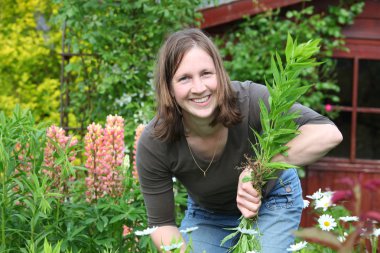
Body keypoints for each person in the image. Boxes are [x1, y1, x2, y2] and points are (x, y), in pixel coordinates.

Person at [136, 28, 343, 253]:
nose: (199, 88)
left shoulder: (249, 100)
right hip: (209, 214)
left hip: (273, 200)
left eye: (206, 73)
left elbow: (328, 133)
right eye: (184, 78)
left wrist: (258, 169)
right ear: (169, 88)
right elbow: (162, 224)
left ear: (220, 74)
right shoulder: (155, 142)